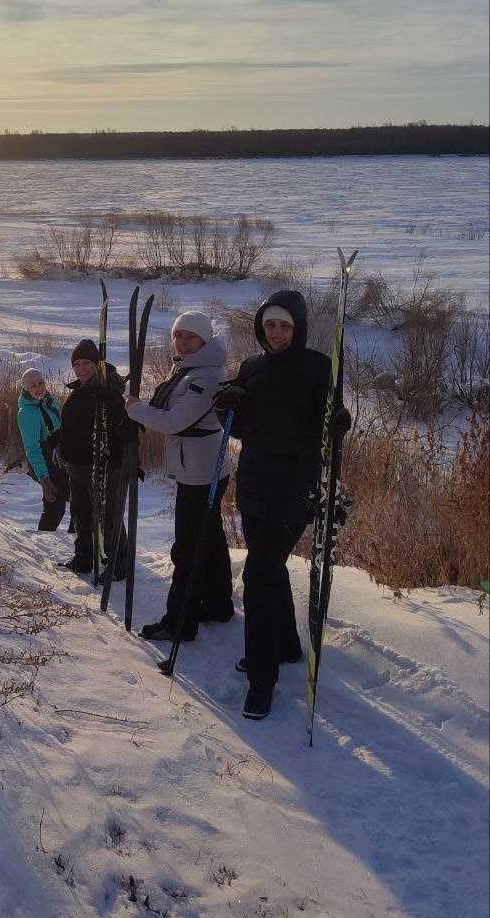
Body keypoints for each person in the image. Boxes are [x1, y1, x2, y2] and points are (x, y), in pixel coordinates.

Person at [214, 289, 350, 721]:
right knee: (267, 568)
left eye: (284, 326)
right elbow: (238, 428)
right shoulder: (251, 367)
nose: (276, 333)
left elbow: (328, 422)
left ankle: (261, 677)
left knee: (258, 574)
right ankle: (286, 645)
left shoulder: (316, 367)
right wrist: (227, 406)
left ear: (298, 328)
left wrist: (338, 422)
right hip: (253, 485)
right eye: (270, 325)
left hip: (295, 490)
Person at [125, 310, 233, 642]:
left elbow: (175, 421)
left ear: (204, 340)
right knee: (210, 538)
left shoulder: (204, 376)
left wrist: (134, 408)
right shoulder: (191, 369)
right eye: (178, 335)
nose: (183, 342)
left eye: (191, 337)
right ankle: (217, 603)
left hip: (201, 473)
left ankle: (179, 621)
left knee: (187, 546)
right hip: (201, 466)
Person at [58, 338, 129, 578]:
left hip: (103, 465)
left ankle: (119, 562)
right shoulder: (79, 390)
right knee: (81, 514)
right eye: (76, 364)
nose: (81, 369)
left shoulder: (109, 392)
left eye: (86, 363)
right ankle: (84, 558)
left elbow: (121, 428)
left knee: (108, 515)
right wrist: (55, 440)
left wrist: (126, 461)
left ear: (97, 364)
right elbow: (74, 426)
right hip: (76, 467)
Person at [16, 368, 71, 531]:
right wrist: (44, 479)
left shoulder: (49, 400)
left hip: (60, 457)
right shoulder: (26, 413)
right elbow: (32, 449)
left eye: (41, 383)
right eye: (33, 385)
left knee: (75, 501)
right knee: (56, 506)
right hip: (44, 462)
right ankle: (42, 543)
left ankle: (78, 540)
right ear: (26, 389)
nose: (39, 388)